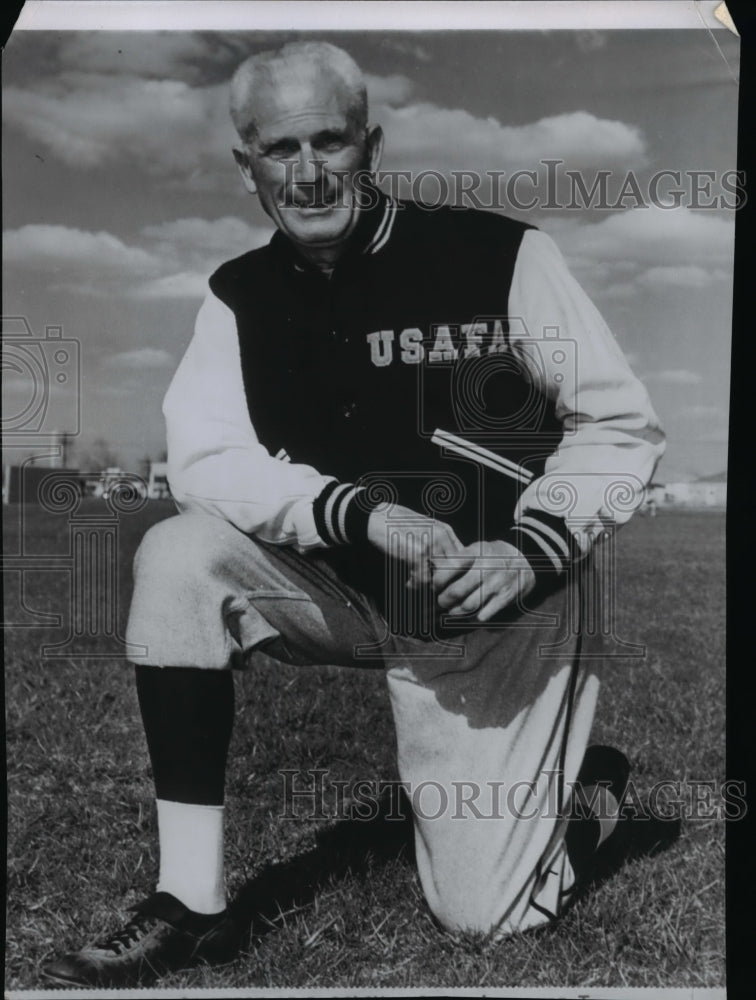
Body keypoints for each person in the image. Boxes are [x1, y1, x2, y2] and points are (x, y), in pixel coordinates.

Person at [43, 41, 665, 987]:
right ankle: (189, 902)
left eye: (329, 141)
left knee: (487, 921)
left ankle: (590, 797)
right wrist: (359, 514)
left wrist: (532, 549)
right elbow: (208, 461)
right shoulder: (237, 297)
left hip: (496, 602)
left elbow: (621, 426)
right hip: (348, 587)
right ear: (244, 165)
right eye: (279, 148)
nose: (307, 171)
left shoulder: (500, 253)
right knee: (178, 556)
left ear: (369, 143)